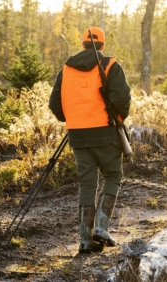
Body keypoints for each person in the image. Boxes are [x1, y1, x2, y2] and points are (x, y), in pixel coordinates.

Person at [49, 27, 131, 253]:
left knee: (87, 184)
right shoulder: (110, 65)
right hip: (105, 132)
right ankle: (102, 229)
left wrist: (74, 119)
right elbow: (122, 99)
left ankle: (85, 239)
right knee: (113, 175)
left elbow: (55, 103)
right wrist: (117, 118)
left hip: (77, 134)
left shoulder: (66, 69)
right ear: (102, 45)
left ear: (83, 44)